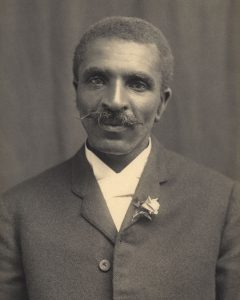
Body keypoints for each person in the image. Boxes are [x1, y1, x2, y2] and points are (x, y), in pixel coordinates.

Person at [0, 16, 239, 300]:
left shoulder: (221, 203)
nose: (114, 101)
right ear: (76, 92)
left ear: (162, 103)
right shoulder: (18, 211)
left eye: (137, 84)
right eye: (98, 79)